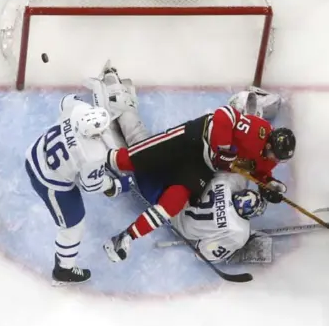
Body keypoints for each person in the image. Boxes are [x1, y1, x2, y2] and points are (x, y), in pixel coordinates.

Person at [86, 62, 293, 263]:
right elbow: (224, 115)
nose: (275, 160)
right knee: (131, 158)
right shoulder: (257, 132)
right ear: (270, 143)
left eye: (279, 159)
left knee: (173, 193)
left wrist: (270, 185)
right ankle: (114, 99)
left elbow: (260, 172)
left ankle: (127, 232)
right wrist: (223, 148)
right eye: (275, 154)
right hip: (192, 141)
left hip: (202, 166)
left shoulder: (268, 158)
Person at [25, 94, 132, 285]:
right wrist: (114, 186)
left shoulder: (77, 111)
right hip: (50, 181)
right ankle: (63, 270)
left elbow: (64, 100)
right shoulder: (93, 154)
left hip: (35, 153)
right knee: (73, 225)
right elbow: (90, 186)